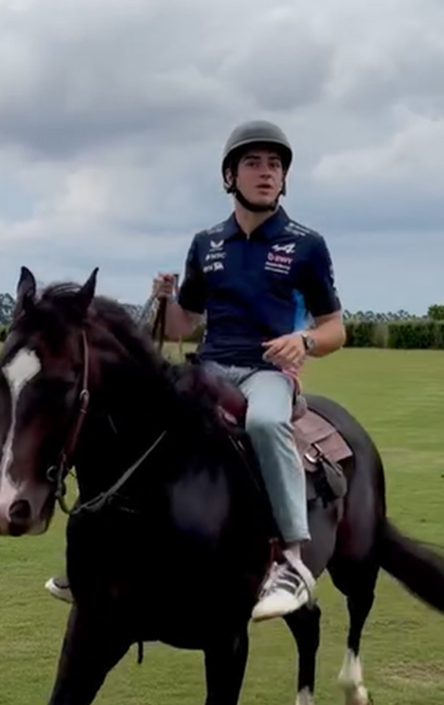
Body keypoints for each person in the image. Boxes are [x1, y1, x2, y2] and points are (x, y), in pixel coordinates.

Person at [45, 119, 346, 621]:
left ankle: (292, 558)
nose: (266, 172)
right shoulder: (206, 245)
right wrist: (163, 300)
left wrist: (304, 341)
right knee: (133, 419)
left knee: (267, 423)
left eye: (274, 164)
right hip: (208, 366)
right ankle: (103, 553)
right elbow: (182, 325)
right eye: (253, 163)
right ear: (230, 176)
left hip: (266, 370)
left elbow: (336, 328)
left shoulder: (305, 244)